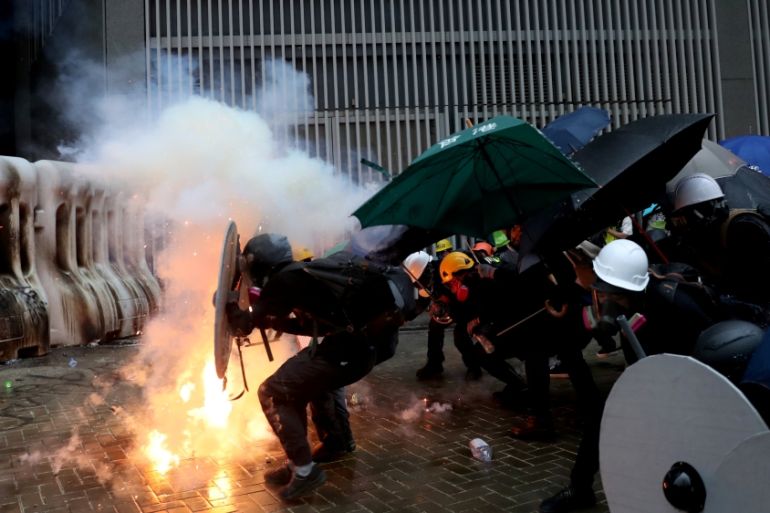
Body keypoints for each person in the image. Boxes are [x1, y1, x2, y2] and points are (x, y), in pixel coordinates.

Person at [226, 234, 429, 500]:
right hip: (360, 351)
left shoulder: (283, 280)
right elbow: (318, 327)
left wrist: (226, 303)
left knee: (273, 391)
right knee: (302, 387)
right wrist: (276, 322)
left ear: (259, 262)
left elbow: (242, 326)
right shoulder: (303, 274)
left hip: (349, 352)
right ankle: (321, 451)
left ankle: (305, 471)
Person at [539, 239, 716, 512]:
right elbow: (578, 334)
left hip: (684, 384)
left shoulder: (674, 304)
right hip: (647, 378)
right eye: (602, 292)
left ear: (633, 290)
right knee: (601, 420)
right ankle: (580, 489)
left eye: (615, 295)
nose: (607, 302)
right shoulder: (621, 300)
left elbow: (712, 349)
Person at [668, 173, 770, 317]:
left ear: (698, 211)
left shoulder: (743, 228)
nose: (687, 223)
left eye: (687, 216)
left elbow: (749, 281)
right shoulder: (721, 227)